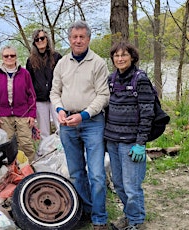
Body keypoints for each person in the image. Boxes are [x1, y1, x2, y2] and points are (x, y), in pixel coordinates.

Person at [49, 20, 110, 230]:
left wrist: (83, 115)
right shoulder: (62, 63)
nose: (78, 41)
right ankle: (86, 210)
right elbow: (54, 92)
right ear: (69, 39)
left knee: (96, 174)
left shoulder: (98, 63)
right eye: (74, 37)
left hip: (92, 123)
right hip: (67, 124)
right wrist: (59, 109)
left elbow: (103, 95)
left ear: (88, 39)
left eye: (82, 37)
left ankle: (100, 217)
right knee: (76, 172)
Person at [104, 41, 153, 230]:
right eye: (116, 55)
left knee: (132, 186)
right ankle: (129, 215)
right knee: (119, 184)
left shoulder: (140, 79)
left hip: (131, 143)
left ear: (132, 57)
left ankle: (136, 222)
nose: (120, 58)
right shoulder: (111, 79)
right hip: (113, 141)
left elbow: (147, 112)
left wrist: (141, 142)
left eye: (124, 55)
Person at [0, 45, 37, 163]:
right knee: (7, 144)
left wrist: (32, 115)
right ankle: (11, 171)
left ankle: (29, 169)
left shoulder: (24, 73)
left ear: (16, 57)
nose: (9, 58)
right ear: (2, 57)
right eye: (6, 56)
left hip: (23, 113)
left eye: (12, 55)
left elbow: (31, 96)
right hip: (4, 115)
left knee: (26, 144)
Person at [26, 29, 62, 140]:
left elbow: (63, 77)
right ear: (34, 42)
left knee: (61, 127)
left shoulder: (57, 57)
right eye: (37, 39)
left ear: (47, 39)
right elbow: (29, 83)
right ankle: (46, 152)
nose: (40, 41)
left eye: (42, 38)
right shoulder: (31, 61)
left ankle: (64, 153)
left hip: (56, 98)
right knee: (44, 131)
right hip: (40, 100)